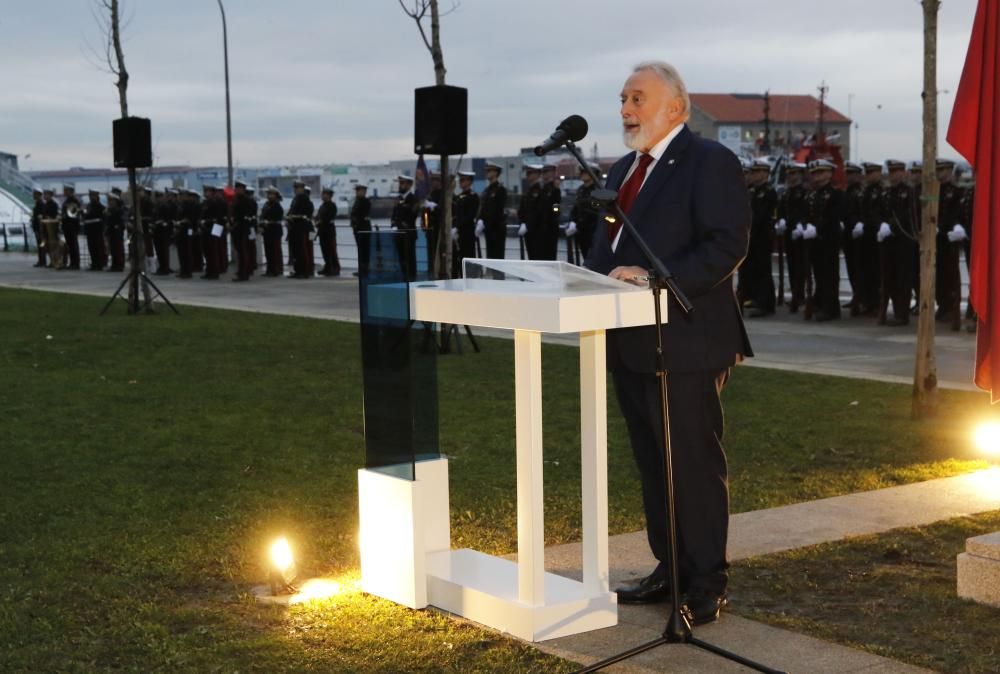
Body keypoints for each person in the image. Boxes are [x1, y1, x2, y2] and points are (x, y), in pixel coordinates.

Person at [585, 61, 752, 625]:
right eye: (623, 99)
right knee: (654, 463)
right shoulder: (625, 169)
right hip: (630, 341)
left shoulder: (709, 162)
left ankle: (706, 582)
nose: (625, 110)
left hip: (687, 339)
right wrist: (587, 278)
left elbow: (726, 243)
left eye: (637, 99)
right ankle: (671, 568)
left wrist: (658, 279)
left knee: (692, 464)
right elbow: (606, 252)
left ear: (675, 108)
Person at [803, 159, 844, 321]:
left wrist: (818, 229)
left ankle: (830, 308)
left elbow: (833, 218)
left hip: (828, 240)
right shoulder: (812, 195)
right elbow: (808, 214)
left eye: (820, 173)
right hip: (814, 241)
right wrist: (805, 226)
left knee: (829, 275)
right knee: (818, 273)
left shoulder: (835, 194)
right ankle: (819, 303)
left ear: (829, 173)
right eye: (814, 174)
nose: (816, 177)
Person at [879, 159, 918, 326]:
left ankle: (902, 314)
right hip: (889, 242)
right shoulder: (887, 192)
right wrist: (881, 223)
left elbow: (908, 215)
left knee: (903, 279)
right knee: (891, 278)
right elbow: (880, 211)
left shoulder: (910, 192)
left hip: (904, 241)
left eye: (897, 171)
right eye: (892, 171)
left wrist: (891, 226)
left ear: (903, 172)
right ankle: (895, 311)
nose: (894, 174)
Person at [740, 159, 776, 317]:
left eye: (756, 172)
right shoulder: (753, 191)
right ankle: (755, 297)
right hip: (753, 235)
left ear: (765, 174)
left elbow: (762, 215)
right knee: (754, 268)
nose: (753, 175)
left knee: (763, 270)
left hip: (762, 235)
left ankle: (766, 303)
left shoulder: (768, 191)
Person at [935, 159, 966, 330]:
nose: (940, 173)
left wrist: (945, 226)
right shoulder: (934, 190)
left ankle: (952, 308)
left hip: (949, 238)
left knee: (950, 274)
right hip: (937, 238)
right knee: (938, 274)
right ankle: (942, 305)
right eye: (938, 169)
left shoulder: (956, 191)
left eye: (943, 169)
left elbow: (956, 214)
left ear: (950, 170)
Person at [776, 162, 809, 311]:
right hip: (789, 231)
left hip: (800, 232)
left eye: (794, 174)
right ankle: (795, 293)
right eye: (789, 174)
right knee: (791, 264)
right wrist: (781, 220)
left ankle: (800, 294)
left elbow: (804, 212)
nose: (791, 177)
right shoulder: (786, 193)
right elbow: (782, 210)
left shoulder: (804, 192)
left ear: (800, 175)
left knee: (800, 264)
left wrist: (799, 225)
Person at [841, 162, 864, 315]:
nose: (849, 176)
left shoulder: (860, 192)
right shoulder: (847, 192)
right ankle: (856, 295)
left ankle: (861, 297)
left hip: (858, 235)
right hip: (848, 233)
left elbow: (861, 211)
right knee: (850, 266)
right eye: (847, 173)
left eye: (852, 174)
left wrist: (858, 224)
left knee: (859, 268)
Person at [569, 163, 601, 261]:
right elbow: (576, 208)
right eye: (581, 172)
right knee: (585, 258)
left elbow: (593, 212)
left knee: (594, 261)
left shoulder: (598, 190)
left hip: (593, 232)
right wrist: (572, 221)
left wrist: (577, 224)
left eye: (585, 172)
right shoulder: (581, 190)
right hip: (581, 232)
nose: (582, 174)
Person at [390, 175, 419, 279]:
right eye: (400, 183)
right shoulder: (399, 198)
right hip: (398, 234)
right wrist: (393, 225)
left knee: (410, 259)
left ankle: (411, 279)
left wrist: (400, 224)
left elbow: (412, 215)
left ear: (409, 185)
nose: (400, 185)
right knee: (401, 258)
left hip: (408, 234)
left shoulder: (413, 199)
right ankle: (404, 278)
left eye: (403, 183)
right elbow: (394, 214)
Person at [477, 161, 508, 259]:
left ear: (496, 172)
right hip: (489, 229)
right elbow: (484, 207)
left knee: (497, 258)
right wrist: (480, 220)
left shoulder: (500, 189)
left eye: (489, 170)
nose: (487, 172)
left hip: (497, 229)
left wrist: (485, 221)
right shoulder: (487, 190)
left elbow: (496, 210)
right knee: (490, 257)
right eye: (487, 170)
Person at [453, 171, 479, 271]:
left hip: (467, 232)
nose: (461, 182)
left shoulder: (473, 196)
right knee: (459, 259)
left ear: (470, 181)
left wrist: (457, 227)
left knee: (468, 258)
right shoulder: (458, 197)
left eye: (463, 180)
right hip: (458, 233)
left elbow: (469, 216)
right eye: (460, 180)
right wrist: (454, 226)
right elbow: (455, 214)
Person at [517, 164, 544, 259]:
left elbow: (537, 211)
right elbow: (523, 210)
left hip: (537, 231)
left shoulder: (540, 190)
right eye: (527, 173)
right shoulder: (529, 191)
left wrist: (527, 224)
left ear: (538, 174)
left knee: (537, 256)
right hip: (528, 230)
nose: (527, 175)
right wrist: (522, 222)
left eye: (530, 173)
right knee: (531, 256)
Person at [231, 179, 256, 281]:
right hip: (238, 228)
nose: (237, 190)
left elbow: (246, 216)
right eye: (236, 188)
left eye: (239, 189)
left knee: (244, 251)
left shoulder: (246, 201)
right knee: (240, 251)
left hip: (244, 228)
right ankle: (242, 271)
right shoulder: (237, 200)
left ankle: (244, 273)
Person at [316, 186, 341, 276]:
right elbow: (318, 216)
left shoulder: (332, 205)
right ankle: (328, 267)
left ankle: (335, 268)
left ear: (330, 196)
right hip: (322, 230)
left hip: (329, 230)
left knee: (331, 250)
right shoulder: (322, 206)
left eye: (325, 194)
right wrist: (316, 220)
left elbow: (329, 217)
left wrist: (321, 221)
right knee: (325, 250)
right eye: (323, 194)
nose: (323, 196)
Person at [539, 164, 562, 260]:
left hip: (551, 226)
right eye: (543, 172)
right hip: (542, 226)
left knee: (550, 254)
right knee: (542, 254)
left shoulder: (555, 189)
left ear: (552, 173)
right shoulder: (543, 189)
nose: (544, 174)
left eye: (546, 172)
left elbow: (556, 208)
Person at [261, 186, 285, 277]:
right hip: (267, 231)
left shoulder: (277, 206)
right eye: (268, 194)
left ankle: (276, 269)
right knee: (268, 251)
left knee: (275, 251)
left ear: (276, 195)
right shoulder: (266, 205)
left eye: (271, 194)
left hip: (275, 230)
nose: (269, 196)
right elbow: (263, 215)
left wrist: (267, 221)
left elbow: (276, 218)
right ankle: (269, 269)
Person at [350, 184, 372, 276]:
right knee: (360, 250)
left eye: (359, 191)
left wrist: (356, 221)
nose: (358, 192)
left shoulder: (365, 202)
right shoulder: (357, 201)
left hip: (364, 229)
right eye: (357, 190)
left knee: (364, 250)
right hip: (357, 229)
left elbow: (360, 215)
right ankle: (361, 269)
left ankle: (365, 270)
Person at [83, 189, 107, 271]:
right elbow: (87, 215)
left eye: (93, 195)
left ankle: (99, 264)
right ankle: (94, 263)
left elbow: (103, 217)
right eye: (90, 196)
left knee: (98, 247)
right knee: (91, 247)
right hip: (90, 230)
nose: (91, 197)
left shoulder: (100, 206)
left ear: (97, 196)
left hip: (97, 230)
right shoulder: (89, 205)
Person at [60, 183, 82, 270]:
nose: (64, 192)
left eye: (66, 190)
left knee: (73, 245)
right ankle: (72, 262)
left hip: (72, 225)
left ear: (71, 191)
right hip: (67, 225)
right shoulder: (67, 200)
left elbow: (72, 213)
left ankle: (75, 263)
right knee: (70, 245)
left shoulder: (73, 200)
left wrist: (63, 216)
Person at [40, 188, 63, 270]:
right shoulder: (45, 204)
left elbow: (54, 215)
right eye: (44, 194)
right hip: (46, 227)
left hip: (52, 227)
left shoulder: (54, 204)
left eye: (47, 194)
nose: (45, 196)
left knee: (54, 245)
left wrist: (48, 217)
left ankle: (57, 261)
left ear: (50, 195)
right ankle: (52, 261)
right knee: (48, 245)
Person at [104, 192, 126, 272]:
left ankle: (119, 265)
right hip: (111, 231)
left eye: (112, 200)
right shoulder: (110, 210)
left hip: (117, 231)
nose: (110, 202)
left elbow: (121, 222)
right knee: (113, 249)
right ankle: (114, 264)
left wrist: (117, 227)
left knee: (118, 249)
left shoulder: (119, 210)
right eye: (109, 201)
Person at [30, 188, 47, 268]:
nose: (33, 195)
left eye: (35, 194)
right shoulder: (38, 203)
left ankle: (42, 261)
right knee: (39, 244)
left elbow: (41, 215)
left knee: (41, 244)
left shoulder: (41, 204)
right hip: (37, 226)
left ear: (39, 195)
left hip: (40, 227)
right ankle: (41, 260)